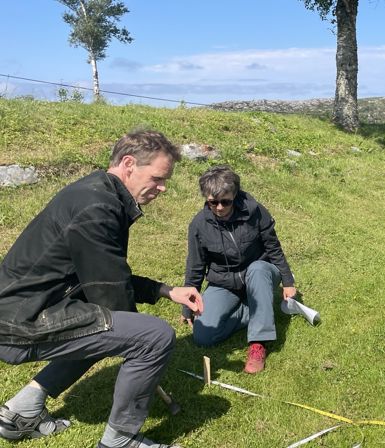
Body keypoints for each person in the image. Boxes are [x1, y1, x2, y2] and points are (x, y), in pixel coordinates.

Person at [0, 130, 203, 448]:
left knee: (101, 326)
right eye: (159, 178)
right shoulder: (97, 208)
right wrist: (140, 337)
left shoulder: (98, 193)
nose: (162, 188)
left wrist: (166, 291)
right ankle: (120, 441)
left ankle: (20, 413)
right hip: (22, 318)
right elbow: (112, 295)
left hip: (30, 306)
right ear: (129, 163)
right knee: (153, 335)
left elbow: (106, 274)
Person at [181, 165, 296, 374]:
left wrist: (288, 281)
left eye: (225, 201)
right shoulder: (199, 225)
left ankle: (258, 342)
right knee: (203, 336)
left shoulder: (256, 211)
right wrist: (187, 305)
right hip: (224, 282)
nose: (219, 207)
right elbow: (195, 265)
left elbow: (273, 247)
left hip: (261, 272)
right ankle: (257, 308)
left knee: (258, 269)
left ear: (235, 195)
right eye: (213, 202)